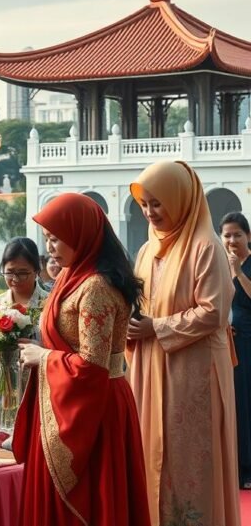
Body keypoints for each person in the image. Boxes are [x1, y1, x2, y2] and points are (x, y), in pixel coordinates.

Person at [15, 192, 151, 526]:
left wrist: (43, 357)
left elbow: (92, 367)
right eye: (47, 238)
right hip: (66, 402)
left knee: (95, 500)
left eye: (56, 239)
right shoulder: (68, 276)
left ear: (81, 235)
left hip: (96, 410)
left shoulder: (96, 287)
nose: (49, 247)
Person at [126, 161, 240, 525]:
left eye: (158, 203)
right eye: (144, 204)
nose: (150, 212)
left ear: (180, 199)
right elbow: (138, 306)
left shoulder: (207, 248)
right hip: (149, 368)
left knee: (189, 457)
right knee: (150, 452)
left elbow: (214, 313)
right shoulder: (146, 251)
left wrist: (154, 328)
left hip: (192, 376)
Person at [221, 212, 251, 489]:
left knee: (247, 401)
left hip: (248, 342)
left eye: (237, 235)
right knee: (231, 403)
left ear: (248, 236)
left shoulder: (245, 265)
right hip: (226, 342)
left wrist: (239, 272)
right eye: (227, 235)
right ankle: (234, 465)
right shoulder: (219, 265)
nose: (232, 240)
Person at [0, 238, 49, 312]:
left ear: (36, 272)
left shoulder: (49, 302)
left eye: (22, 273)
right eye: (10, 272)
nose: (15, 279)